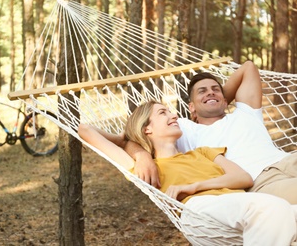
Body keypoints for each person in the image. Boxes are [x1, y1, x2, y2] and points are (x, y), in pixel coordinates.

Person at [78, 101, 297, 246]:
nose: (174, 115)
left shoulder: (202, 152)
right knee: (273, 207)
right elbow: (85, 130)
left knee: (283, 213)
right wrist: (128, 142)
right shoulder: (144, 167)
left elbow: (243, 178)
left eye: (171, 111)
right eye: (163, 113)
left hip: (238, 207)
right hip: (199, 214)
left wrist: (194, 186)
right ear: (147, 129)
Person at [130, 61, 297, 204]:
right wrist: (141, 155)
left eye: (216, 89)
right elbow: (128, 137)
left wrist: (216, 100)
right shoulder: (185, 129)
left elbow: (248, 67)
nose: (210, 92)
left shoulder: (246, 112)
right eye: (201, 91)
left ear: (226, 99)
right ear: (191, 107)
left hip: (289, 160)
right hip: (261, 181)